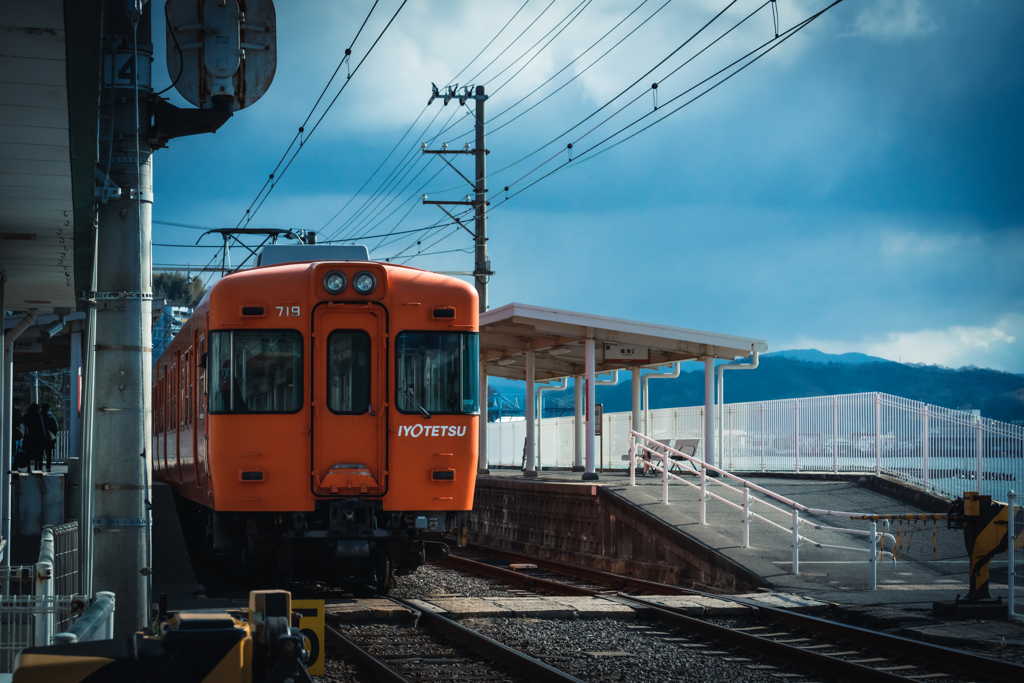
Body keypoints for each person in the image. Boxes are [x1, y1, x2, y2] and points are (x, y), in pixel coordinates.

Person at [22, 403, 45, 473]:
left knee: (29, 453)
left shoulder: (26, 416)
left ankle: (28, 467)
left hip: (28, 437)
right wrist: (44, 436)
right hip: (37, 438)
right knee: (37, 453)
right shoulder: (38, 416)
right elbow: (41, 427)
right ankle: (36, 466)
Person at [40, 403, 59, 472]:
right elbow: (56, 427)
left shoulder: (40, 416)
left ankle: (40, 466)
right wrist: (53, 434)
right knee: (49, 453)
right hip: (50, 437)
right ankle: (48, 467)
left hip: (41, 437)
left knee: (41, 453)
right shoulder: (52, 417)